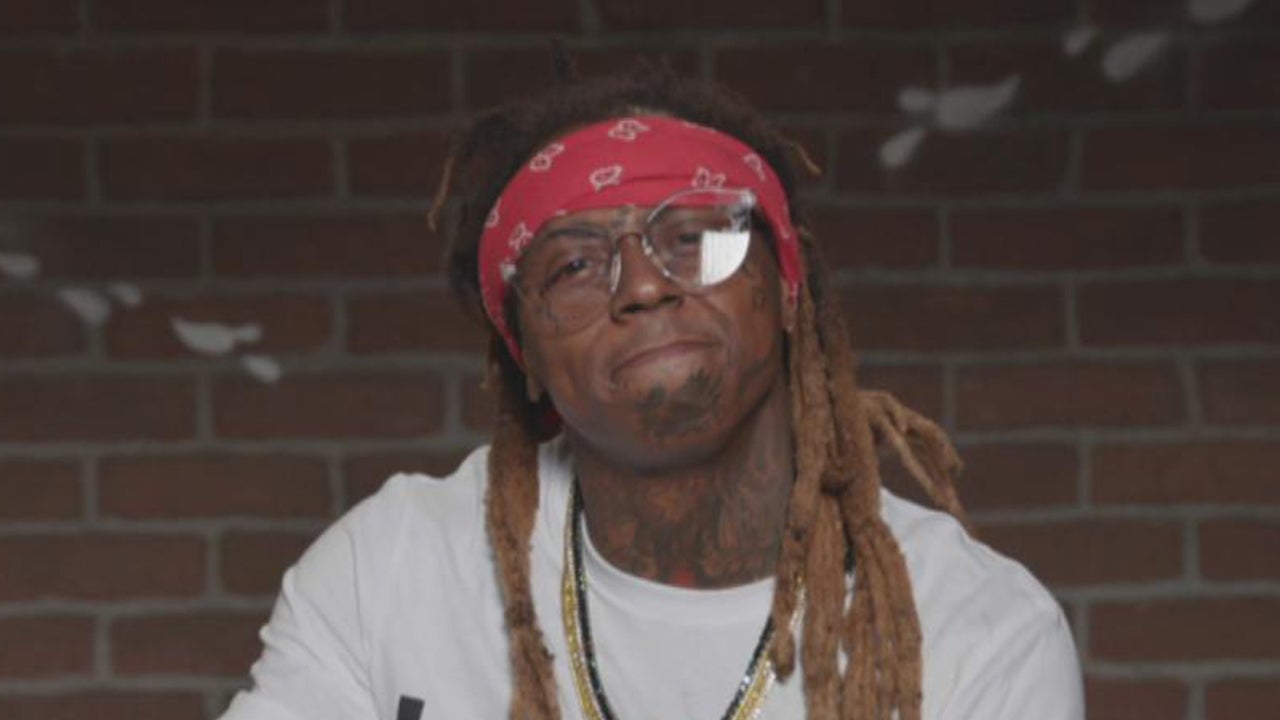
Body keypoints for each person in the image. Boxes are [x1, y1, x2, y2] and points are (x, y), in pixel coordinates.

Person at [218, 61, 1084, 720]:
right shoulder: (391, 571)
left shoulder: (979, 628)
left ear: (787, 289)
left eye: (698, 238)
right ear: (523, 353)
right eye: (574, 267)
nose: (642, 286)